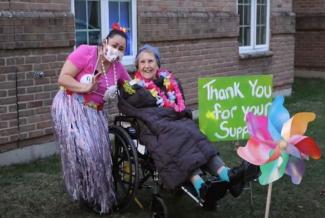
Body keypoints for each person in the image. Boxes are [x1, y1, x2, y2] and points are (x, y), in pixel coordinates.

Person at [118, 44, 260, 209]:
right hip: (153, 127)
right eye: (142, 62)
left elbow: (180, 105)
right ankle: (200, 185)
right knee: (178, 137)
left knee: (194, 134)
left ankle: (227, 174)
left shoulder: (169, 81)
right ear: (137, 66)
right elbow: (130, 105)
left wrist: (176, 111)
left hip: (175, 122)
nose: (146, 65)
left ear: (158, 64)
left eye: (150, 61)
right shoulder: (133, 87)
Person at [51, 23, 130, 214]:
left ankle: (98, 196)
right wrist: (85, 88)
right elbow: (63, 78)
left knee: (100, 157)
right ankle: (85, 189)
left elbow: (130, 86)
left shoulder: (118, 68)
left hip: (95, 114)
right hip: (71, 106)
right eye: (114, 45)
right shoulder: (86, 52)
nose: (116, 51)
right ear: (105, 42)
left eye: (121, 49)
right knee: (87, 150)